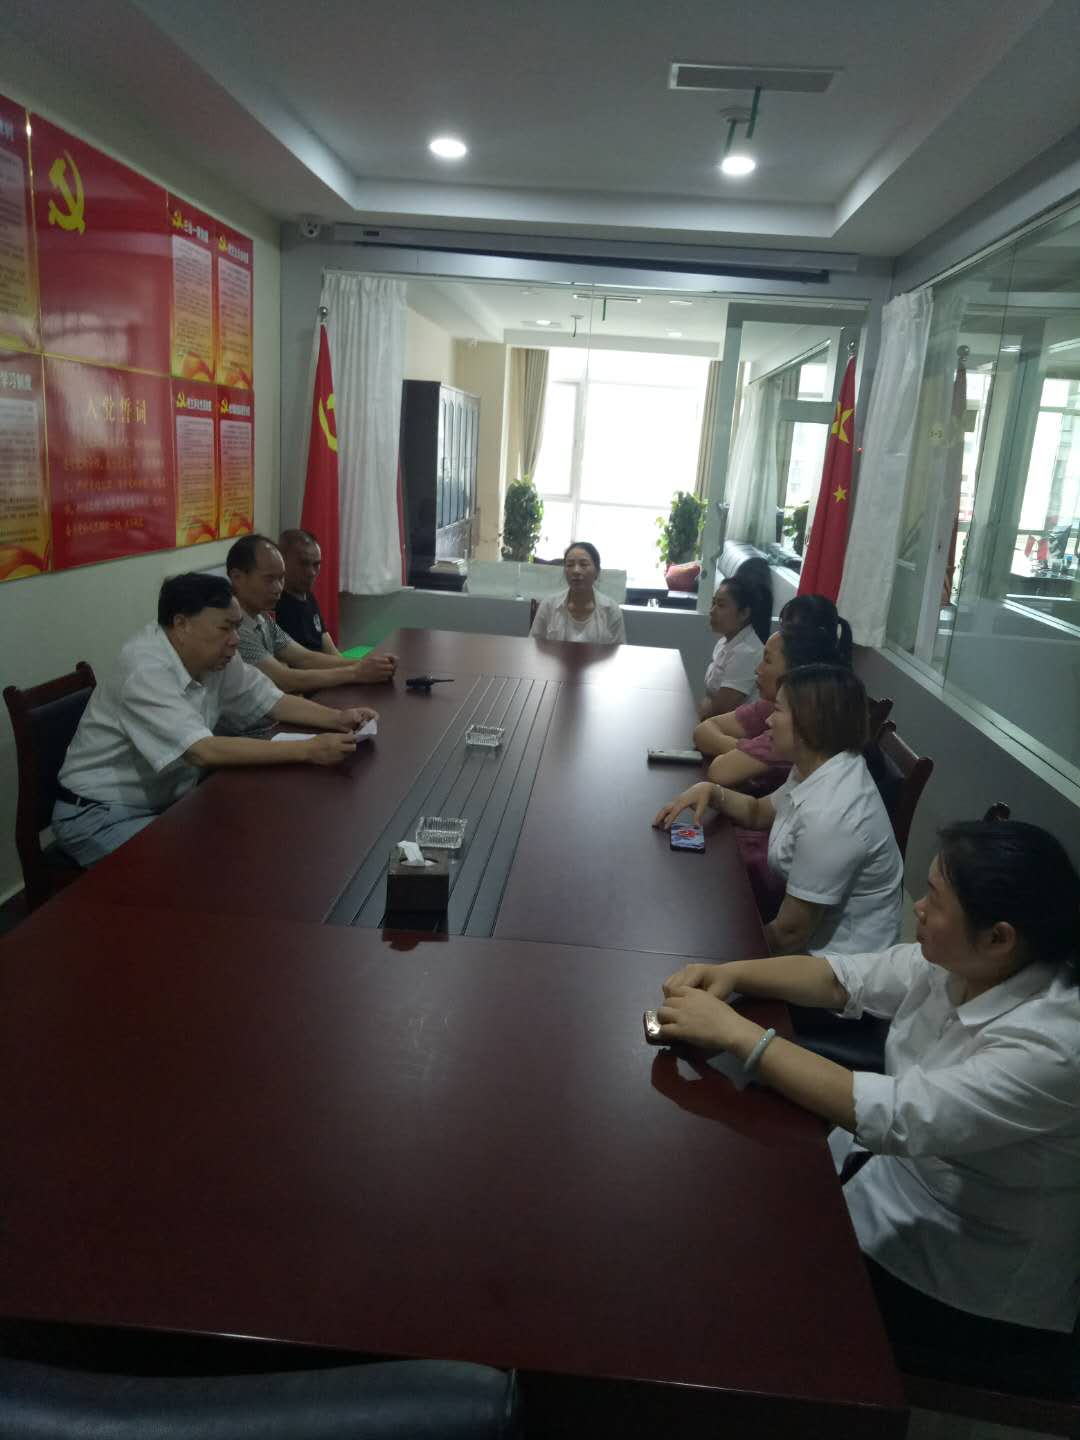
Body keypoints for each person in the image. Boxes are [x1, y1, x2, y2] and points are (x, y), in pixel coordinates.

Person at [654, 820, 1080, 1395]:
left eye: (935, 900)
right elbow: (843, 980)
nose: (918, 908)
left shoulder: (1054, 1045)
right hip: (883, 1182)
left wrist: (736, 1033)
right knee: (716, 1192)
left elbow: (900, 1116)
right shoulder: (965, 962)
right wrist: (730, 974)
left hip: (963, 1275)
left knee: (729, 1279)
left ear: (998, 937)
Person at [52, 573, 378, 866]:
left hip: (165, 802)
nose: (236, 638)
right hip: (98, 815)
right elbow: (202, 751)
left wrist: (338, 718)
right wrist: (309, 749)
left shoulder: (217, 655)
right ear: (182, 625)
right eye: (225, 628)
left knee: (253, 838)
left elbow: (271, 700)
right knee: (210, 867)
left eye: (237, 626)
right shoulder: (144, 670)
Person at [654, 665, 902, 954]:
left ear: (810, 723)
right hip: (794, 929)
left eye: (779, 711)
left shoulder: (832, 815)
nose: (768, 720)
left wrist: (716, 950)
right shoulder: (817, 764)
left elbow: (788, 934)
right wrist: (712, 792)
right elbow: (758, 812)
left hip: (831, 964)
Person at [225, 534, 396, 734]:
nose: (278, 588)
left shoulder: (262, 617)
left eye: (281, 578)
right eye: (269, 579)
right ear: (237, 578)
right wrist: (357, 672)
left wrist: (369, 666)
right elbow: (285, 679)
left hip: (274, 721)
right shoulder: (233, 630)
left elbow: (305, 658)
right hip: (248, 733)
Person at [693, 616, 851, 794]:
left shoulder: (796, 727)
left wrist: (744, 750)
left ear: (797, 671)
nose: (758, 669)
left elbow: (720, 771)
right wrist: (746, 748)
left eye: (767, 661)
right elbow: (703, 731)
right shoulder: (769, 707)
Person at [697, 561, 772, 719]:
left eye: (721, 605)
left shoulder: (747, 653)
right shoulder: (724, 642)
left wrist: (706, 705)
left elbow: (718, 711)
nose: (712, 611)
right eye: (713, 603)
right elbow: (709, 700)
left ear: (744, 613)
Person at [529, 541, 626, 644]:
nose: (576, 571)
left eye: (583, 564)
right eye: (570, 565)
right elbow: (532, 645)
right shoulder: (549, 605)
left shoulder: (611, 610)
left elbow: (619, 651)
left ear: (597, 571)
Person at [274, 528, 343, 654]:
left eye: (316, 564)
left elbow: (329, 647)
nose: (311, 572)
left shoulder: (308, 596)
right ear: (282, 560)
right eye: (303, 563)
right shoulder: (273, 604)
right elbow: (304, 660)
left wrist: (358, 665)